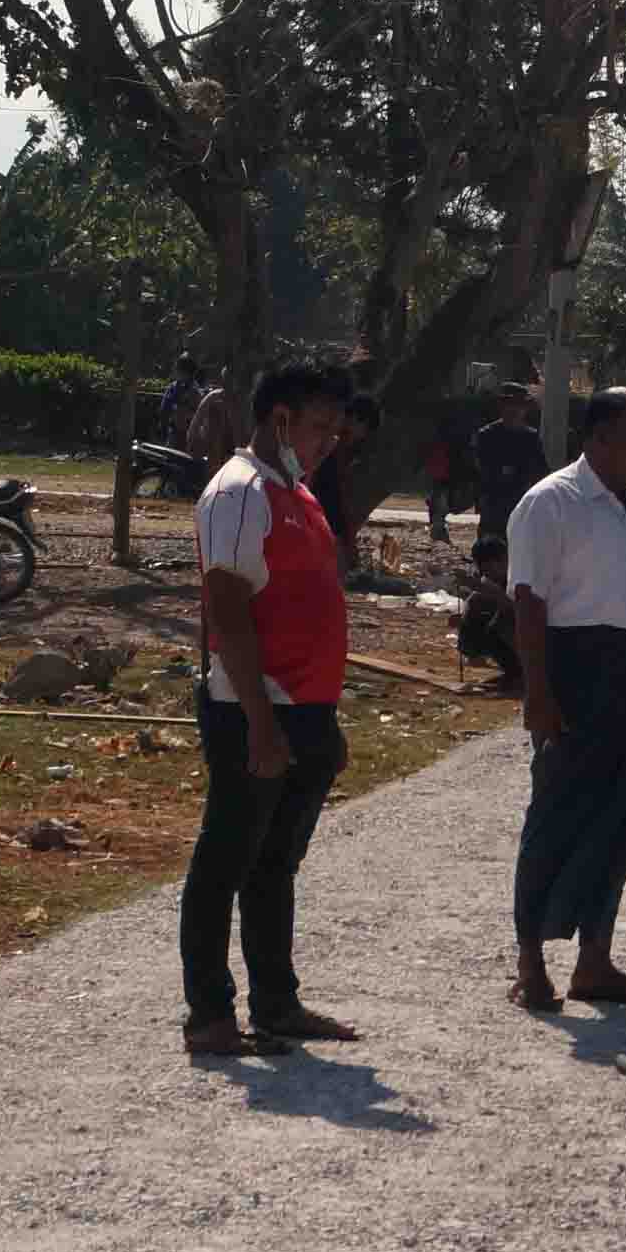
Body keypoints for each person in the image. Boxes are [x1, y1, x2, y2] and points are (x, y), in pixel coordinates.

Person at [178, 359, 368, 1055]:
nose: (328, 443)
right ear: (281, 419)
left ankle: (277, 1004)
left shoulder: (299, 494)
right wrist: (261, 722)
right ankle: (209, 1015)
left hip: (304, 710)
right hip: (252, 710)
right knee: (224, 862)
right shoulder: (238, 492)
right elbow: (227, 610)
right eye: (320, 427)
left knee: (274, 865)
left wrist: (323, 724)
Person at [505, 389, 626, 1012]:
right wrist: (538, 693)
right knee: (558, 819)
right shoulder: (549, 503)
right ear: (597, 438)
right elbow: (528, 603)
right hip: (577, 675)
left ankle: (595, 961)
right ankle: (531, 963)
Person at [309, 393, 381, 563]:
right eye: (365, 429)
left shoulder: (341, 447)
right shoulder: (329, 443)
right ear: (355, 419)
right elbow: (327, 491)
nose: (362, 436)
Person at [474, 381, 545, 545]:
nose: (514, 410)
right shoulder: (487, 435)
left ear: (525, 409)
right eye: (509, 404)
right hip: (494, 503)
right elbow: (480, 471)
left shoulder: (531, 438)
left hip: (521, 502)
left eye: (519, 405)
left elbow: (540, 472)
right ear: (501, 406)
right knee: (490, 550)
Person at [454, 536, 521, 684]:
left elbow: (516, 608)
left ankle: (526, 672)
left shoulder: (521, 575)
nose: (488, 573)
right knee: (476, 603)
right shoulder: (489, 578)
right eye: (483, 568)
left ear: (504, 559)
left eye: (490, 567)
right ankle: (513, 671)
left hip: (541, 637)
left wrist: (484, 589)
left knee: (502, 621)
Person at [421, 421, 458, 547]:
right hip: (439, 480)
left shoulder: (438, 445)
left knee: (437, 508)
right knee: (438, 508)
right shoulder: (441, 446)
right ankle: (438, 534)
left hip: (440, 480)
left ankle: (438, 534)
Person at [158, 355, 202, 449]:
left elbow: (197, 414)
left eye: (177, 368)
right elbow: (164, 410)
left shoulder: (195, 391)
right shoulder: (172, 388)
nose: (174, 371)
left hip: (188, 434)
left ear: (185, 372)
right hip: (173, 433)